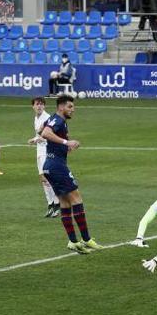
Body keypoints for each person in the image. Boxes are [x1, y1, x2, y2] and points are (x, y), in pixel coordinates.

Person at [40, 95, 103, 254]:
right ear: (61, 107)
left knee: (65, 202)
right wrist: (66, 143)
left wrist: (64, 147)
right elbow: (45, 133)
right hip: (56, 166)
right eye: (70, 107)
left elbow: (42, 130)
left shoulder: (57, 120)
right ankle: (86, 239)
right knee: (76, 198)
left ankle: (73, 242)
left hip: (50, 164)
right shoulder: (59, 120)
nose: (72, 110)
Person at [27, 97, 60, 218]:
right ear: (33, 106)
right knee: (43, 179)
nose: (39, 106)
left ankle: (57, 204)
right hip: (39, 151)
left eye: (41, 104)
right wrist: (36, 139)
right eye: (37, 104)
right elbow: (39, 135)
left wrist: (37, 139)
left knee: (49, 178)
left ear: (44, 106)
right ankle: (50, 204)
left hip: (48, 151)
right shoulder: (36, 118)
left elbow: (52, 135)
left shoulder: (47, 118)